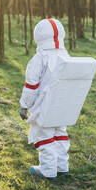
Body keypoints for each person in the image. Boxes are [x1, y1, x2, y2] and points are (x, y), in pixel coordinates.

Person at [19, 18, 70, 179]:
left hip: (43, 106)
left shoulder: (39, 58)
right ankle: (62, 165)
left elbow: (31, 86)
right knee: (60, 133)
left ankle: (47, 170)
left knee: (43, 134)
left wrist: (24, 105)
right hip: (63, 105)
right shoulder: (66, 55)